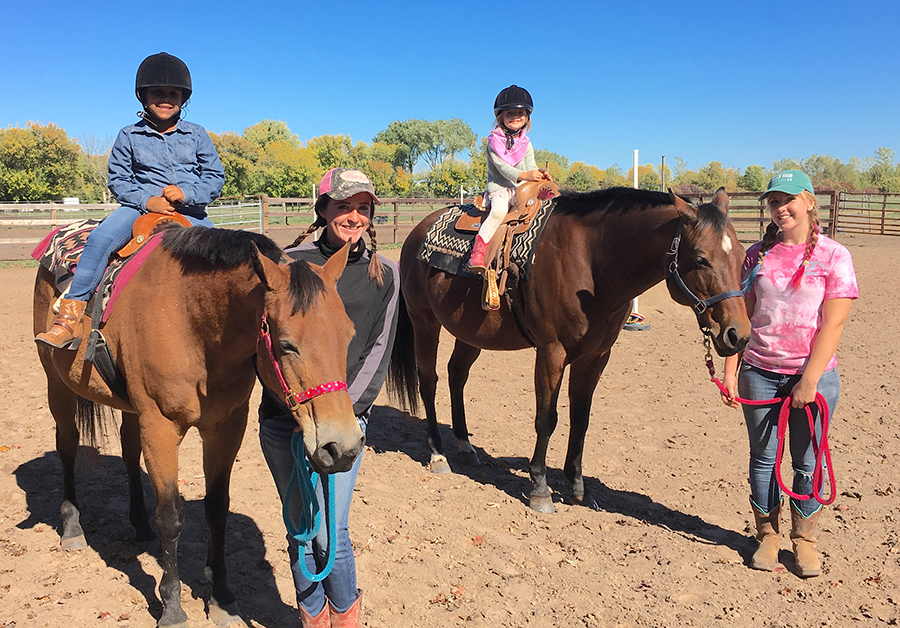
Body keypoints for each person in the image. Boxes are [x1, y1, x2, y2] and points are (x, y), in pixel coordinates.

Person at [258, 168, 399, 627]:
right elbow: (266, 345)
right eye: (342, 206)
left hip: (342, 419)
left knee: (331, 533)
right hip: (285, 421)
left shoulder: (384, 274)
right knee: (300, 529)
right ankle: (312, 618)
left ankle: (345, 619)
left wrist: (348, 413)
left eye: (362, 208)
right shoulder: (287, 266)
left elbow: (379, 349)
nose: (353, 216)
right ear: (322, 211)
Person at [36, 52, 224, 349]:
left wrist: (187, 193)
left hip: (191, 210)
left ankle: (229, 322)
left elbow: (214, 176)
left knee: (224, 252)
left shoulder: (198, 134)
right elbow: (119, 180)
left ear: (183, 99)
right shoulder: (129, 135)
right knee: (101, 239)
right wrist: (149, 201)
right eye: (158, 93)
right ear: (143, 96)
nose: (166, 99)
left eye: (173, 94)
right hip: (138, 207)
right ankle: (70, 318)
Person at [721, 170, 858, 577]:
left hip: (812, 378)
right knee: (763, 459)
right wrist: (731, 370)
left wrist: (810, 380)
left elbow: (833, 324)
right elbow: (740, 314)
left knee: (806, 461)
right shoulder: (756, 255)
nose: (780, 208)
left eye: (788, 200)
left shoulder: (834, 256)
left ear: (809, 201)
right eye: (774, 201)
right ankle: (768, 535)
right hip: (759, 371)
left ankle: (805, 540)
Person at [467, 84, 552, 275]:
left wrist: (537, 174)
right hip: (500, 188)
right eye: (510, 113)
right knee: (498, 212)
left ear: (527, 117)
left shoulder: (526, 143)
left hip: (522, 189)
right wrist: (524, 176)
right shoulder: (493, 142)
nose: (515, 117)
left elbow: (530, 165)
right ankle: (478, 253)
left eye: (520, 113)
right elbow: (503, 168)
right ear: (501, 117)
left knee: (542, 210)